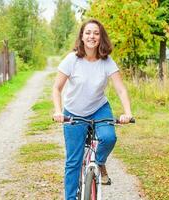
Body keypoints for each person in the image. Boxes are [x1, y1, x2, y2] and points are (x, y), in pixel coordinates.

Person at [52, 19, 133, 200]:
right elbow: (57, 88)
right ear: (82, 36)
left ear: (100, 37)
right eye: (88, 32)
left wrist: (127, 113)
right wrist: (58, 111)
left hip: (99, 108)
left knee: (108, 137)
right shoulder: (72, 60)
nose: (92, 36)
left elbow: (121, 88)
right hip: (73, 112)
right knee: (73, 162)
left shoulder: (107, 61)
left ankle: (100, 162)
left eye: (96, 33)